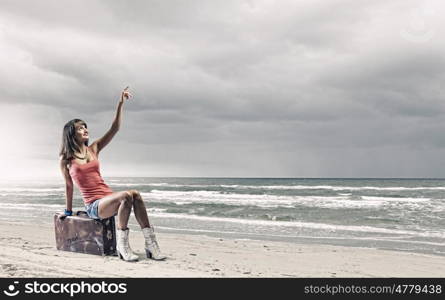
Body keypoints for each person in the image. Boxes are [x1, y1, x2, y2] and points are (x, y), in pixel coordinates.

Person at [58, 87, 166, 262]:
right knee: (126, 196)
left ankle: (151, 244)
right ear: (71, 133)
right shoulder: (66, 159)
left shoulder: (94, 148)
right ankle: (122, 246)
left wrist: (120, 103)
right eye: (80, 128)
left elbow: (114, 128)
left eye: (85, 127)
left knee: (135, 195)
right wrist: (68, 211)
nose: (85, 129)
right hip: (94, 206)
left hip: (109, 198)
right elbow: (69, 186)